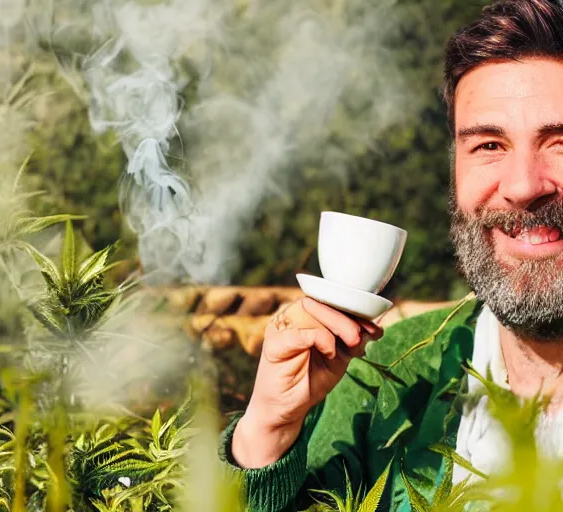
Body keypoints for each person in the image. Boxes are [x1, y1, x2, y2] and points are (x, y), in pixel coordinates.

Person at [217, 0, 563, 510]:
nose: (522, 185)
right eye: (489, 145)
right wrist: (268, 430)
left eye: (560, 142)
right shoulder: (387, 372)